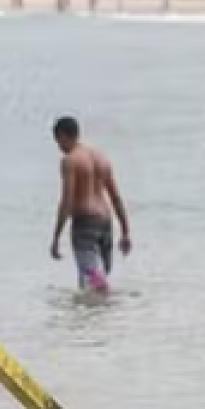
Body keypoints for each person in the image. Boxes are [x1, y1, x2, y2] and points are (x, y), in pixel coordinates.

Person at [48, 116, 132, 291]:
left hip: (85, 223)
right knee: (98, 279)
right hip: (106, 224)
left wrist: (56, 237)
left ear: (63, 136)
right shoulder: (101, 158)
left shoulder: (70, 161)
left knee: (93, 284)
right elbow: (116, 198)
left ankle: (93, 315)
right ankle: (102, 317)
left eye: (58, 141)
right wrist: (125, 231)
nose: (59, 147)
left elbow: (67, 201)